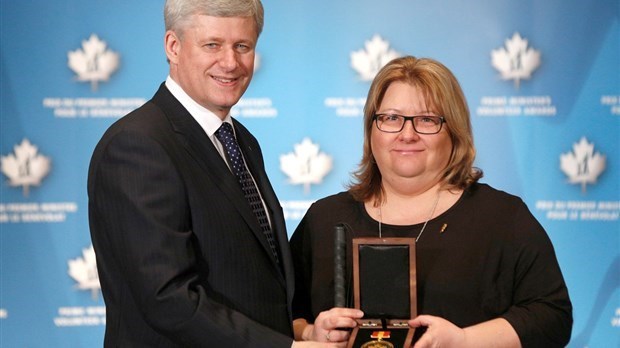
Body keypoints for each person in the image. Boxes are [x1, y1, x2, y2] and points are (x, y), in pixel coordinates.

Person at [88, 1, 337, 346]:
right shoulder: (138, 146)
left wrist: (304, 331)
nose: (231, 63)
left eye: (242, 46)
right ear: (173, 46)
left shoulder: (241, 141)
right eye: (212, 45)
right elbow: (168, 300)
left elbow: (256, 278)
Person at [290, 56, 573, 347]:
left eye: (427, 119)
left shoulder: (502, 218)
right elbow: (275, 315)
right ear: (371, 129)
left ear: (454, 132)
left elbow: (552, 318)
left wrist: (464, 340)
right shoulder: (323, 218)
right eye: (391, 118)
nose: (407, 134)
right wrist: (309, 332)